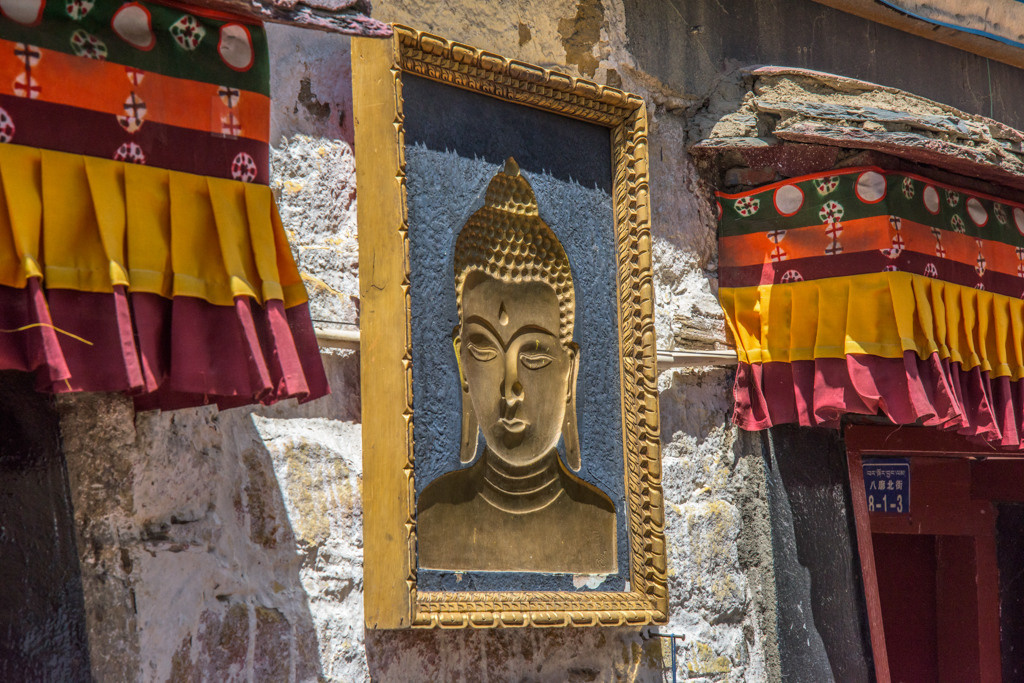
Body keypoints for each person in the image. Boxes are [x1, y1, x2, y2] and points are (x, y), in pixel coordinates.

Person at [417, 158, 617, 574]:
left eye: (535, 356)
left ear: (570, 375)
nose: (511, 388)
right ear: (462, 366)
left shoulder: (597, 521)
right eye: (485, 352)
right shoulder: (436, 516)